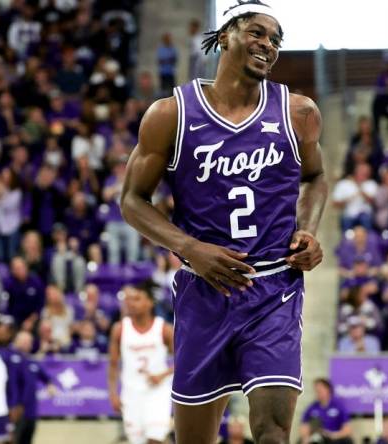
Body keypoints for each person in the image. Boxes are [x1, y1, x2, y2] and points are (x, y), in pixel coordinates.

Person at [119, 1, 328, 442]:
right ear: (225, 34)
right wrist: (189, 247)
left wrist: (307, 227)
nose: (268, 45)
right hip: (203, 290)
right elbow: (132, 201)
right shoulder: (171, 114)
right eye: (257, 33)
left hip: (274, 288)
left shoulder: (299, 113)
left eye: (275, 40)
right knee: (194, 437)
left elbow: (315, 177)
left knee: (272, 430)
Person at [108, 282, 174, 444]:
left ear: (150, 303)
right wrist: (113, 393)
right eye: (129, 299)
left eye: (137, 299)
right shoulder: (119, 329)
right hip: (131, 393)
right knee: (137, 441)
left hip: (157, 392)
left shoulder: (164, 328)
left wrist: (162, 375)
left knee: (155, 439)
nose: (131, 303)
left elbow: (183, 360)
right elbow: (113, 365)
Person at [10, 331, 56, 444]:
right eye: (24, 341)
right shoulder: (9, 357)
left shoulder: (31, 362)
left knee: (28, 439)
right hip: (16, 410)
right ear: (16, 341)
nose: (27, 344)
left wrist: (50, 385)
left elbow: (46, 377)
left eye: (29, 341)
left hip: (31, 412)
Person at [299, 379, 352, 444]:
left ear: (328, 389)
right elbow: (304, 425)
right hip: (317, 438)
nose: (317, 392)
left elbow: (347, 429)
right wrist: (306, 438)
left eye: (320, 390)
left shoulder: (339, 406)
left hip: (334, 438)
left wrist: (332, 435)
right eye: (316, 390)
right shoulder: (312, 407)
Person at [333, 163, 377, 231]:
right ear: (355, 172)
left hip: (365, 216)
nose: (363, 175)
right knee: (346, 222)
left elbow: (374, 202)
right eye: (361, 172)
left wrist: (359, 187)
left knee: (366, 220)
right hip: (348, 216)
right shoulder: (344, 184)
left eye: (366, 173)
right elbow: (335, 203)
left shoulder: (371, 184)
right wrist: (347, 200)